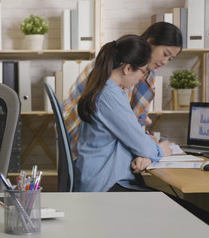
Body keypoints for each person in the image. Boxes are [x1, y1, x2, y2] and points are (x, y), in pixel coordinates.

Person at [61, 22, 182, 161]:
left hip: (106, 149)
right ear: (150, 42)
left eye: (171, 59)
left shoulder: (148, 76)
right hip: (87, 146)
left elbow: (133, 124)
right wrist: (151, 150)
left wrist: (145, 149)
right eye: (165, 54)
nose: (165, 61)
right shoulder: (113, 71)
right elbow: (123, 123)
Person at [74, 34, 172, 192]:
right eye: (142, 71)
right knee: (192, 213)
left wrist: (144, 154)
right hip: (105, 185)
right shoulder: (109, 95)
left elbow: (132, 136)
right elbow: (141, 144)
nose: (142, 77)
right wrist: (161, 150)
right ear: (127, 68)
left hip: (104, 178)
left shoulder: (108, 89)